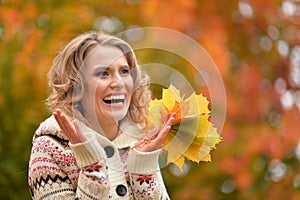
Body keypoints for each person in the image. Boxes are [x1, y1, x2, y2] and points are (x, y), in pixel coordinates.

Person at [28, 31, 175, 199]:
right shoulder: (50, 147)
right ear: (76, 84)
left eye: (125, 71)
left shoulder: (141, 143)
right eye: (103, 73)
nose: (118, 82)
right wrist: (92, 167)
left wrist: (143, 170)